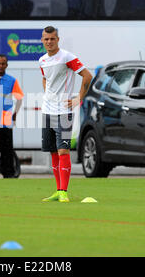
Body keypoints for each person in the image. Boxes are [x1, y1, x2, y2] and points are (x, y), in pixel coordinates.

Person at [39, 26, 93, 203]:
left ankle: (64, 191)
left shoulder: (67, 57)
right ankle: (57, 190)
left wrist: (78, 98)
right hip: (47, 111)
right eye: (46, 39)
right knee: (53, 152)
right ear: (42, 40)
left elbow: (87, 76)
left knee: (63, 151)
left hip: (64, 111)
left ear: (58, 39)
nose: (49, 42)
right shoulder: (42, 60)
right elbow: (45, 78)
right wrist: (48, 96)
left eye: (52, 39)